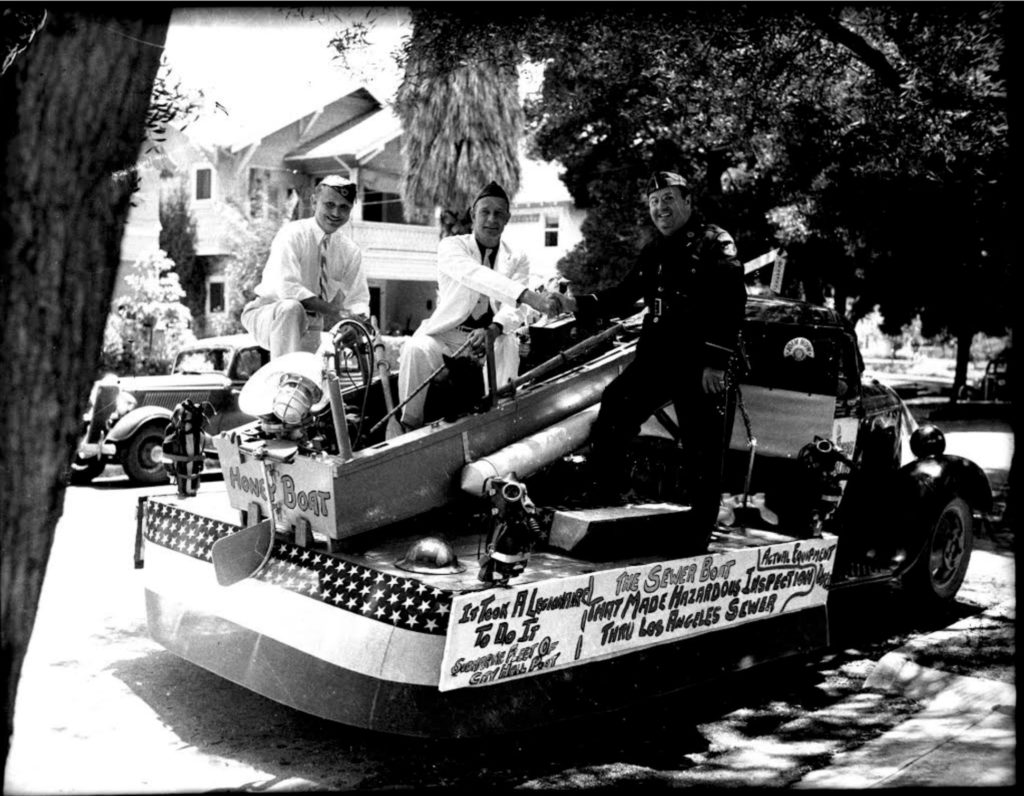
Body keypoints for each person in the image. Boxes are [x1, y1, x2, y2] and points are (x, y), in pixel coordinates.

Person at [555, 171, 747, 542]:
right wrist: (577, 304)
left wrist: (717, 362)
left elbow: (731, 304)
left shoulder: (715, 242)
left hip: (702, 362)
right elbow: (626, 293)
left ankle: (698, 534)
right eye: (654, 202)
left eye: (668, 199)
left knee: (703, 447)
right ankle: (608, 495)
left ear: (688, 201)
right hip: (660, 356)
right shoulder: (656, 248)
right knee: (615, 405)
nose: (661, 208)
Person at [395, 181, 560, 433]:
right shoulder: (452, 246)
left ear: (507, 219)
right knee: (415, 349)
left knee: (507, 354)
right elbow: (475, 275)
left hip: (492, 336)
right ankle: (409, 425)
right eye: (485, 212)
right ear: (473, 215)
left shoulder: (517, 257)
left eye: (499, 213)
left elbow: (513, 310)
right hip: (447, 335)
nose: (491, 219)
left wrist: (493, 329)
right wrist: (529, 296)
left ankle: (498, 426)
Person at [241, 175, 370, 359]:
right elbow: (289, 290)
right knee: (291, 309)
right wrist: (337, 311)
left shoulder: (349, 251)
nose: (335, 213)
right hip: (269, 313)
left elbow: (358, 298)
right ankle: (282, 378)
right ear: (314, 201)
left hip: (313, 322)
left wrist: (356, 321)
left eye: (344, 208)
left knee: (310, 374)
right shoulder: (292, 234)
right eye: (329, 205)